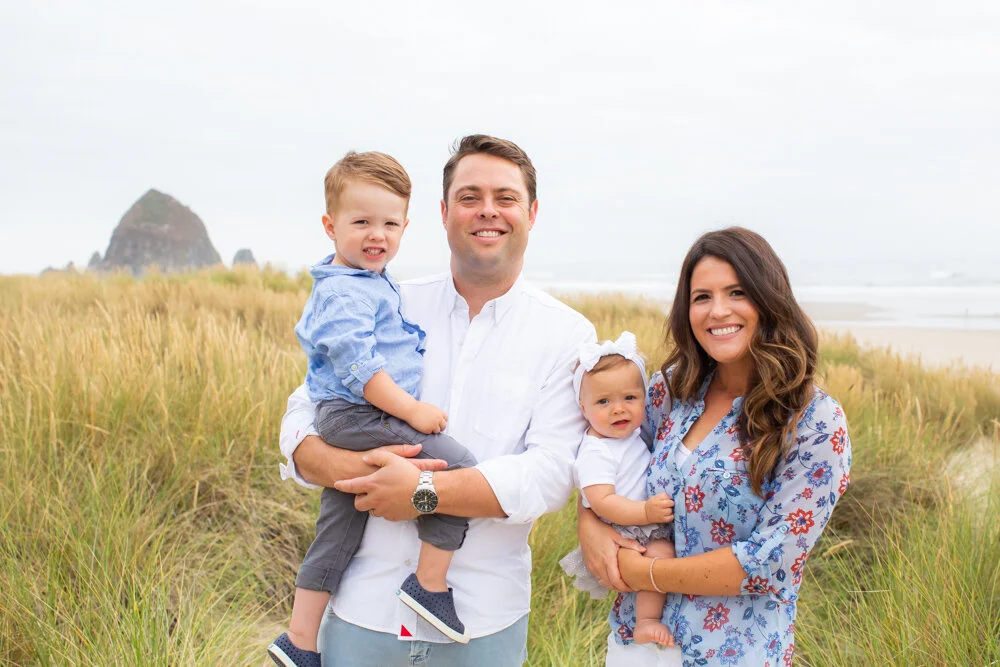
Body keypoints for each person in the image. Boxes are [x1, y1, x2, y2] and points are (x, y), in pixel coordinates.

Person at [278, 135, 597, 666]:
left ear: (532, 212)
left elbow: (550, 474)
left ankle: (430, 585)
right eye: (470, 196)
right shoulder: (388, 297)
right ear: (444, 213)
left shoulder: (568, 335)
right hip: (362, 615)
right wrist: (345, 469)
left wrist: (423, 492)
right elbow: (304, 411)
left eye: (506, 197)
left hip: (481, 624)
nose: (487, 211)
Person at [578, 227, 852, 666]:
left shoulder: (814, 421)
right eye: (701, 297)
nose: (717, 311)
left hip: (733, 650)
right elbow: (604, 456)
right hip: (637, 642)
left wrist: (648, 572)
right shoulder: (670, 390)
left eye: (737, 292)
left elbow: (770, 561)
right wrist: (588, 525)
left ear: (768, 299)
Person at [269, 151, 480, 667]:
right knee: (458, 465)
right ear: (330, 225)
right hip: (358, 417)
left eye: (389, 223)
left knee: (338, 528)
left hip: (345, 418)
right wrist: (413, 410)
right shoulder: (347, 292)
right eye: (361, 221)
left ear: (407, 226)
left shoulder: (369, 282)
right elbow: (361, 370)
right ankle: (429, 585)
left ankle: (298, 642)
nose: (376, 235)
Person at [557, 331, 677, 647]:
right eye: (603, 402)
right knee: (659, 558)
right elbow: (600, 500)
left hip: (641, 523)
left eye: (630, 398)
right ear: (583, 408)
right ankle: (646, 621)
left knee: (661, 557)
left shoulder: (629, 436)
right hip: (625, 530)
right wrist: (645, 511)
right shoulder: (597, 450)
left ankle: (650, 618)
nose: (618, 409)